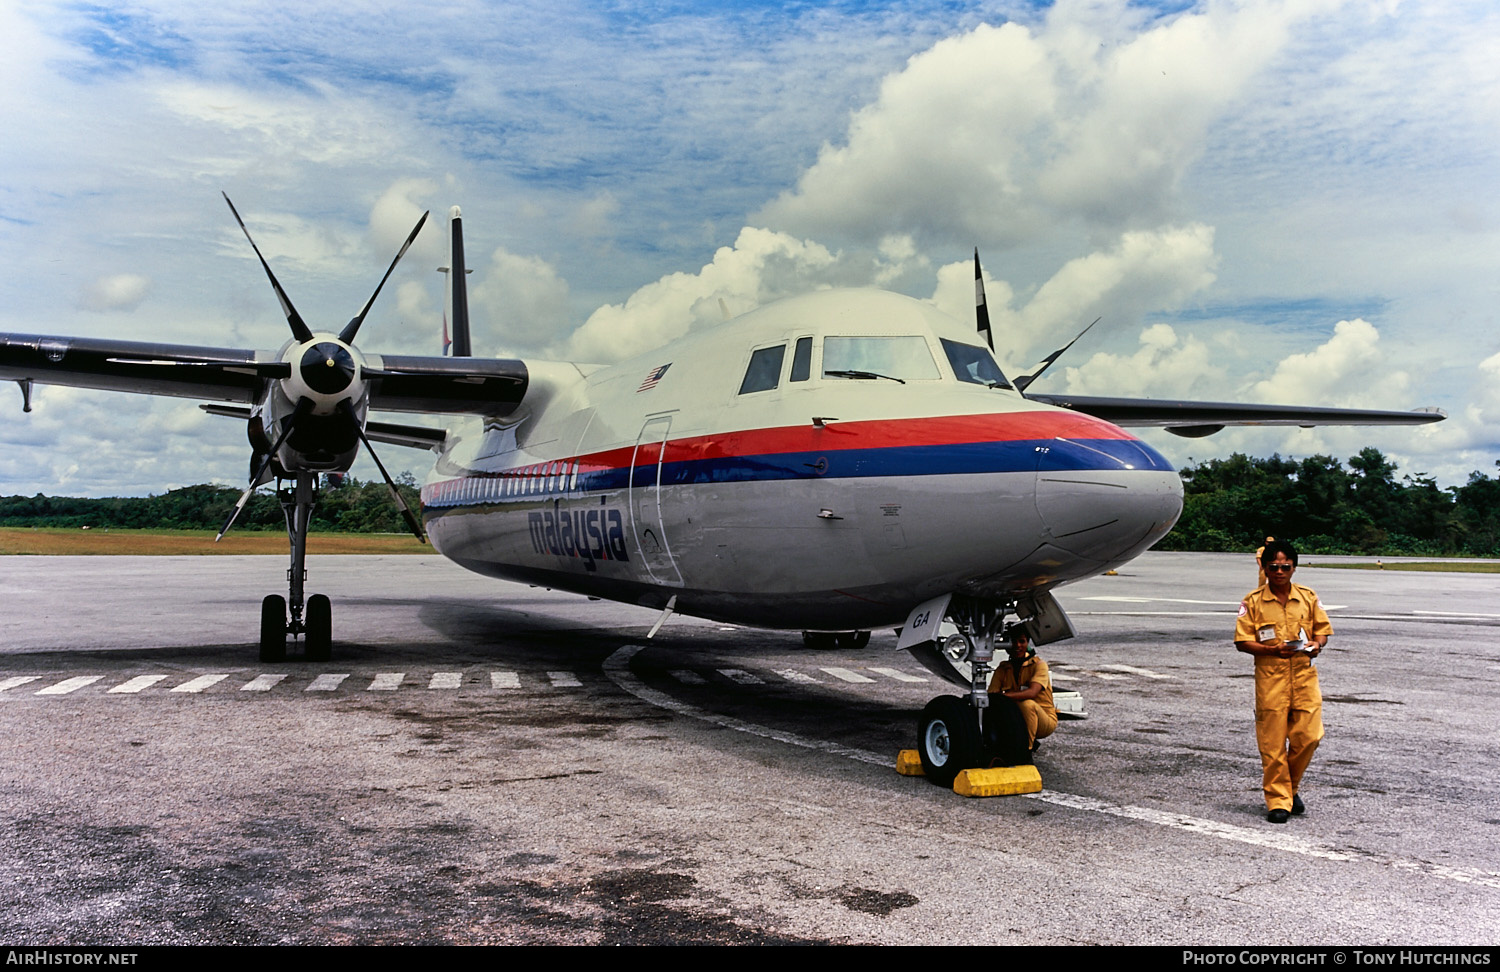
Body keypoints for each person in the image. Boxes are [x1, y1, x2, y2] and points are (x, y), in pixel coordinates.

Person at [1235, 539, 1332, 823]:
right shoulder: (1252, 602)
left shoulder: (1308, 597)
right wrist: (1271, 650)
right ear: (1264, 568)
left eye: (1285, 566)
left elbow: (1322, 630)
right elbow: (1242, 642)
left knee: (1310, 736)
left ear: (1294, 568)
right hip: (1271, 678)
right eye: (1273, 567)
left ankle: (1289, 787)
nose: (1279, 572)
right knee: (1273, 744)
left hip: (1304, 676)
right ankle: (1278, 800)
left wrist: (1317, 643)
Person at [987, 627, 1057, 756]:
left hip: (1044, 720)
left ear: (1027, 643)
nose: (1017, 646)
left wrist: (1003, 697)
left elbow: (1032, 693)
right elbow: (992, 696)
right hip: (1016, 716)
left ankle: (1026, 751)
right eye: (1013, 642)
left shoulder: (1039, 665)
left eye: (1022, 641)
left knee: (1027, 704)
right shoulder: (1003, 668)